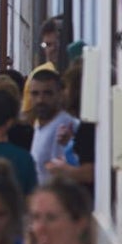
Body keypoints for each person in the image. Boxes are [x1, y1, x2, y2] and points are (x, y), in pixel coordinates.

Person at [44, 62, 95, 200]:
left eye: (66, 88)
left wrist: (63, 169)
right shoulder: (83, 125)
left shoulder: (88, 126)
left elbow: (89, 172)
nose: (63, 94)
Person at [27, 68, 78, 185]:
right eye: (35, 94)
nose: (40, 100)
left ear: (60, 94)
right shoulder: (38, 124)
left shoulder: (65, 126)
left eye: (47, 93)